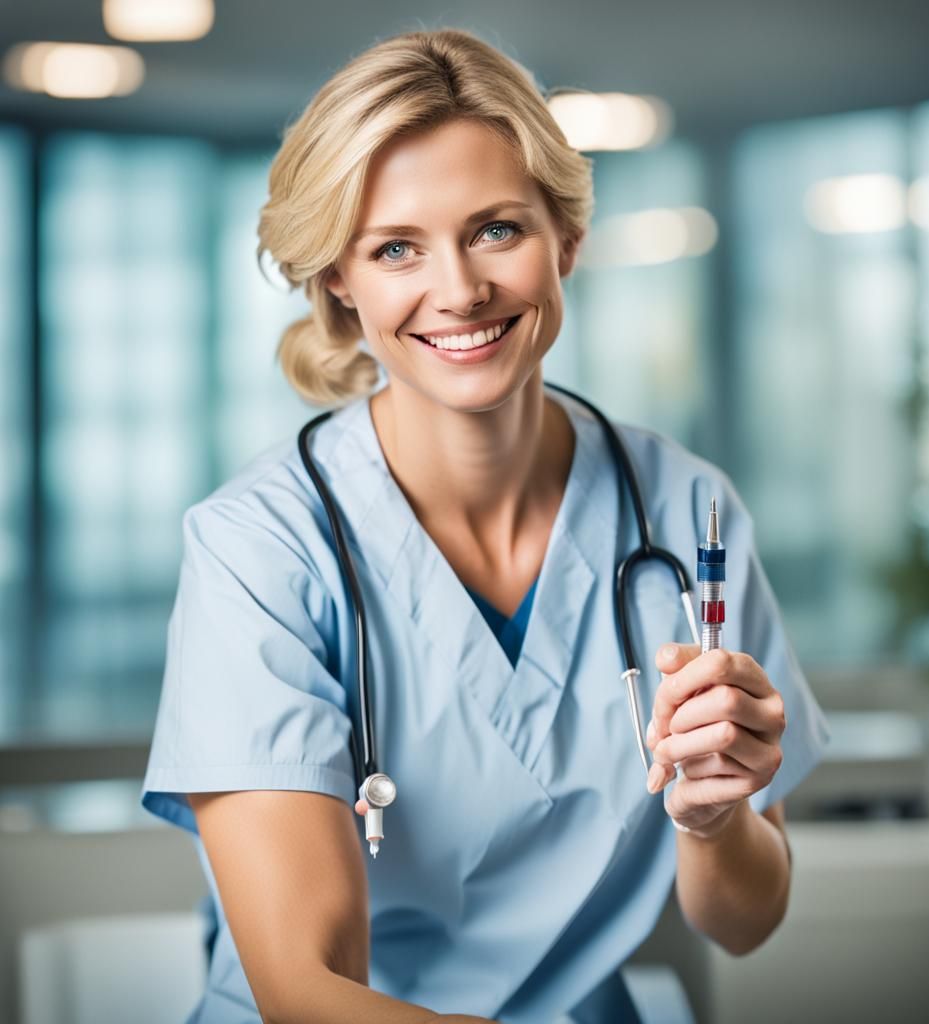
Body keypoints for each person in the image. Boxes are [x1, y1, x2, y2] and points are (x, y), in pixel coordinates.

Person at [141, 28, 830, 1024]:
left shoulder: (682, 511)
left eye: (497, 229)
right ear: (339, 277)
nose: (459, 289)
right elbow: (304, 988)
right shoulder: (260, 548)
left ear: (568, 238)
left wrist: (715, 818)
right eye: (395, 249)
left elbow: (744, 919)